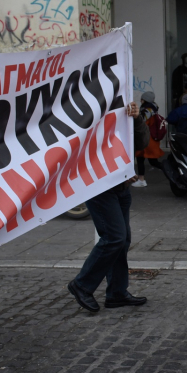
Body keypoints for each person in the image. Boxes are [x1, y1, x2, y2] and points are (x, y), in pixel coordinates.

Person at [67, 102, 149, 313]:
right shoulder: (89, 114)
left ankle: (117, 292)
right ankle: (82, 284)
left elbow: (142, 142)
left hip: (122, 187)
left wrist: (137, 118)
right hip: (101, 186)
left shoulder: (125, 110)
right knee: (114, 237)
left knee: (122, 241)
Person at [132, 91, 164, 188]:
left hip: (147, 140)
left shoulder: (147, 110)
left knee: (148, 160)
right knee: (145, 160)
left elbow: (141, 122)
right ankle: (141, 179)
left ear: (144, 100)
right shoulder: (153, 108)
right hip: (151, 140)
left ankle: (171, 170)